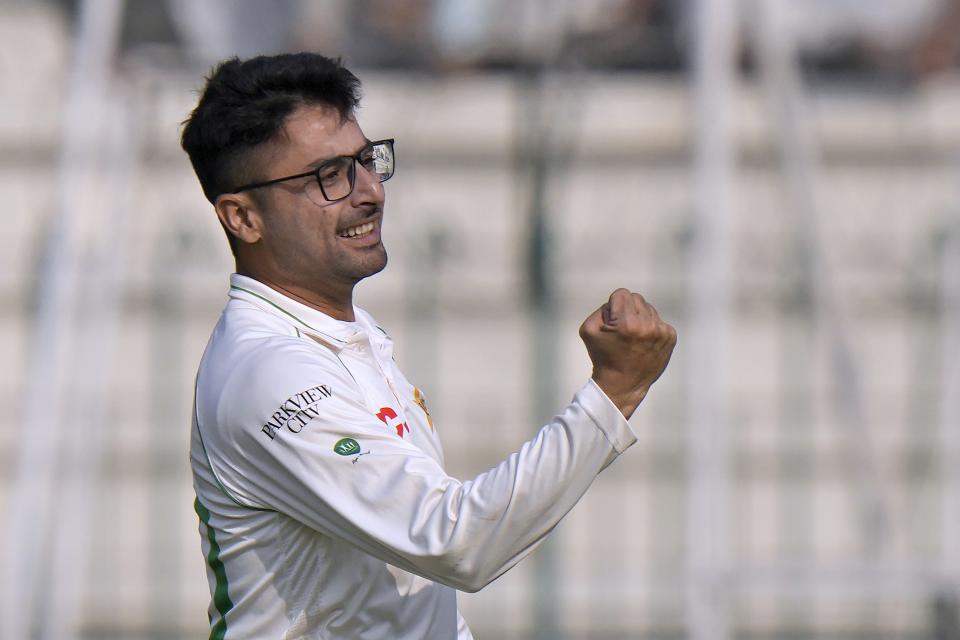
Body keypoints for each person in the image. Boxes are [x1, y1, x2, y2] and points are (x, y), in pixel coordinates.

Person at [180, 52, 676, 640]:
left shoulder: (344, 335)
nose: (368, 192)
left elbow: (409, 595)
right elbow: (454, 542)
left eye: (366, 161)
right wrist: (612, 393)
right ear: (243, 217)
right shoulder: (267, 373)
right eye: (327, 176)